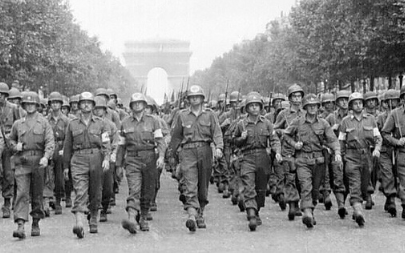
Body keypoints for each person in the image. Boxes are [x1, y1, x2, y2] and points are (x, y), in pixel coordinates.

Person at [168, 85, 223, 232]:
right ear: (188, 100)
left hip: (205, 150)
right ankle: (191, 214)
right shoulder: (182, 115)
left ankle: (200, 212)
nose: (194, 99)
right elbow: (176, 136)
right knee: (189, 183)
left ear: (202, 99)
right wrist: (171, 155)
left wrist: (218, 147)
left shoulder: (210, 115)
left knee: (203, 186)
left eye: (197, 97)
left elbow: (217, 132)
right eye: (192, 97)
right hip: (188, 151)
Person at [283, 94, 341, 229]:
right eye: (310, 106)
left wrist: (337, 153)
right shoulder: (298, 122)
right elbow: (286, 134)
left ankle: (311, 210)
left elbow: (332, 140)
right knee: (305, 186)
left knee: (315, 190)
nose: (313, 108)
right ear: (305, 108)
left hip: (319, 161)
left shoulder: (323, 123)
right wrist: (294, 144)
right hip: (302, 160)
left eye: (315, 106)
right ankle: (307, 212)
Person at [62, 91, 112, 238]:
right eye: (83, 103)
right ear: (79, 106)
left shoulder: (102, 123)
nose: (85, 105)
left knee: (96, 191)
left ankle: (94, 217)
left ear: (93, 106)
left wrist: (106, 158)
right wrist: (66, 166)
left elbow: (106, 143)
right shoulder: (72, 124)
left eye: (89, 103)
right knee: (80, 190)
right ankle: (79, 222)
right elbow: (67, 146)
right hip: (78, 159)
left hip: (96, 157)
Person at [231, 92, 281, 231]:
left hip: (263, 157)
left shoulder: (267, 123)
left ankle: (256, 209)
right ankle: (251, 212)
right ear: (247, 108)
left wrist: (277, 152)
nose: (254, 108)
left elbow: (274, 139)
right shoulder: (241, 124)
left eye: (256, 105)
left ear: (260, 107)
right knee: (249, 186)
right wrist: (242, 138)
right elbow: (234, 142)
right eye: (251, 106)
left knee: (261, 188)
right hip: (247, 157)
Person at [116, 93, 165, 234]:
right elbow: (121, 145)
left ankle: (143, 217)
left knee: (147, 190)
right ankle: (131, 218)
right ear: (131, 106)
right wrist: (119, 165)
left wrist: (161, 156)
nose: (137, 105)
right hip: (132, 159)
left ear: (145, 105)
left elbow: (160, 141)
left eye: (140, 103)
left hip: (150, 158)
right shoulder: (125, 123)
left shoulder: (154, 121)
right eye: (134, 103)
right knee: (134, 189)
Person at [8, 91, 54, 239]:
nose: (30, 106)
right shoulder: (18, 124)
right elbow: (10, 141)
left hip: (38, 162)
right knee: (21, 192)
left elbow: (50, 142)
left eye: (32, 104)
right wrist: (16, 147)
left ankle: (36, 221)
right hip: (22, 161)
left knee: (37, 194)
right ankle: (20, 224)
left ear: (37, 106)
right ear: (23, 106)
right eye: (27, 104)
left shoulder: (44, 122)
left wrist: (46, 157)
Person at [338, 92, 382, 226]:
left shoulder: (371, 119)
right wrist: (340, 156)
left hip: (367, 156)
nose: (358, 105)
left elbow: (378, 138)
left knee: (364, 185)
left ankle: (358, 204)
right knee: (354, 183)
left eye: (360, 103)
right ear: (351, 106)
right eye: (355, 103)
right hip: (351, 156)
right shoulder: (345, 121)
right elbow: (341, 141)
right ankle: (357, 210)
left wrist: (377, 149)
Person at [274, 84, 305, 220]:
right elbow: (274, 131)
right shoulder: (283, 114)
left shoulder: (305, 113)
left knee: (301, 179)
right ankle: (292, 204)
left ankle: (297, 203)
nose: (297, 99)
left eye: (299, 96)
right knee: (290, 178)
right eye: (294, 96)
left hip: (303, 151)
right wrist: (282, 133)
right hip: (288, 150)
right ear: (290, 98)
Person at [381, 84, 405, 221]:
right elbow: (385, 133)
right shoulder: (395, 114)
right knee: (404, 179)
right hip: (402, 150)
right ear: (403, 98)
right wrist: (396, 142)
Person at [0, 82, 20, 218]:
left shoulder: (13, 108)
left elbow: (18, 126)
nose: (0, 97)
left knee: (9, 175)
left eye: (3, 95)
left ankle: (7, 203)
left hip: (9, 144)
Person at [93, 95, 118, 221]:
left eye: (100, 109)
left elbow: (116, 141)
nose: (98, 111)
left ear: (104, 110)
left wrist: (113, 154)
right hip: (93, 157)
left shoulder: (111, 125)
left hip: (107, 157)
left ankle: (104, 207)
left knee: (108, 187)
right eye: (95, 108)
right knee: (93, 186)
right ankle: (94, 209)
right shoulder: (89, 124)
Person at [46, 92, 69, 214]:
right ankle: (50, 199)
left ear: (61, 104)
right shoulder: (46, 120)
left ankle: (59, 200)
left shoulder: (66, 120)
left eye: (57, 102)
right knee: (49, 176)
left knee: (60, 178)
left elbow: (68, 138)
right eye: (52, 102)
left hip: (60, 149)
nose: (55, 105)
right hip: (49, 149)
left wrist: (64, 150)